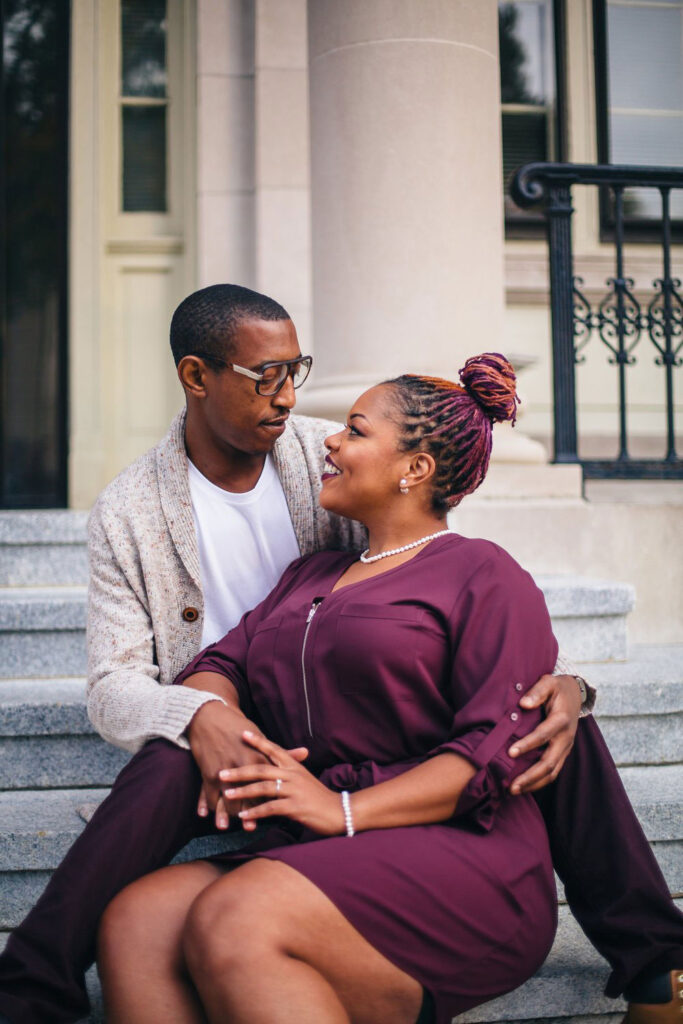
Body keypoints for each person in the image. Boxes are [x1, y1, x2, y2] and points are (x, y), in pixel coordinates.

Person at [0, 286, 680, 1023]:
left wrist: (567, 683)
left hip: (397, 774)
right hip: (267, 738)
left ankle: (657, 960)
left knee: (545, 723)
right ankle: (33, 985)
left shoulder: (399, 516)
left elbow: (475, 642)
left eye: (300, 374)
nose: (300, 409)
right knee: (140, 896)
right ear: (197, 377)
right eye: (268, 377)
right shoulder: (153, 517)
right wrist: (204, 712)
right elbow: (144, 679)